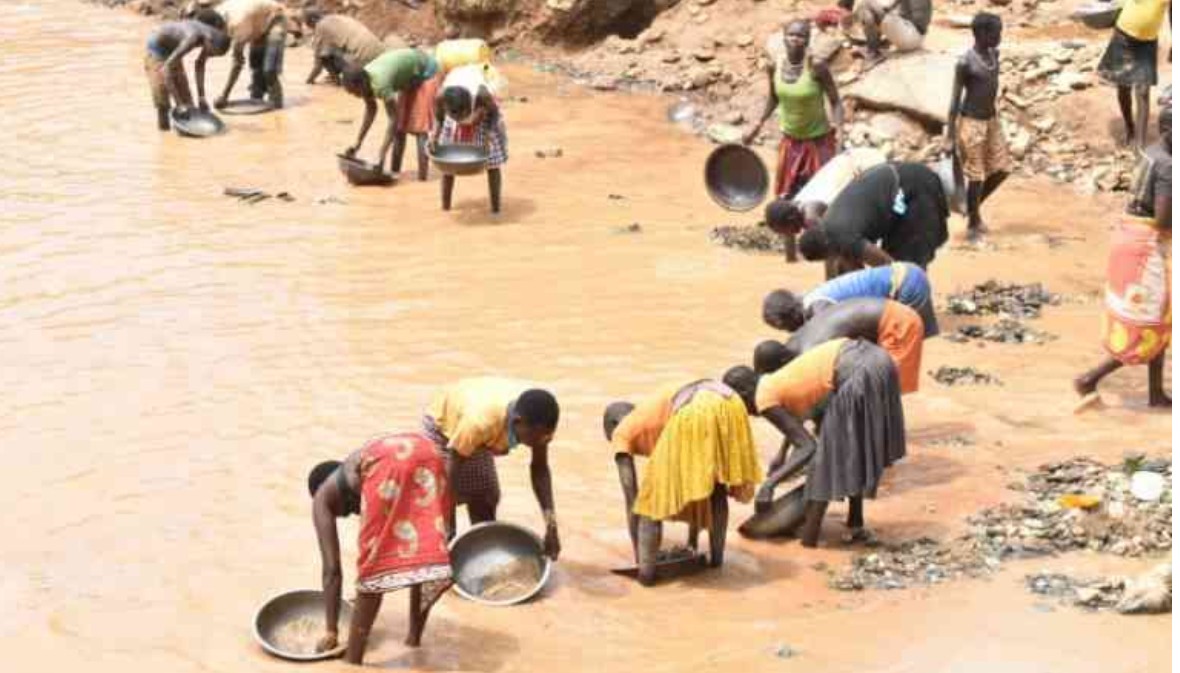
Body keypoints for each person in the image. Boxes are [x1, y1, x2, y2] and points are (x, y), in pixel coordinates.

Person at [723, 337, 906, 547]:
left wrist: (769, 485)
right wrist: (782, 456)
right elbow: (807, 420)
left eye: (740, 408)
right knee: (849, 449)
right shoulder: (774, 380)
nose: (747, 414)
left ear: (744, 394)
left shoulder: (762, 397)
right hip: (878, 360)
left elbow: (808, 447)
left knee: (823, 463)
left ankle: (808, 543)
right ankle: (855, 521)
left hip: (858, 370)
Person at [308, 433, 453, 664]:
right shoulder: (354, 468)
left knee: (372, 566)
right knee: (422, 553)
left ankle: (352, 663)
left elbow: (331, 570)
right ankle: (413, 640)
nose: (350, 514)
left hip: (392, 462)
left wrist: (331, 631)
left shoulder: (321, 499)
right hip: (430, 452)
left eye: (345, 513)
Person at [602, 380, 763, 586]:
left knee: (650, 502)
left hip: (695, 407)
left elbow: (631, 498)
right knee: (715, 487)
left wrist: (640, 556)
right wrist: (692, 543)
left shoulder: (622, 431)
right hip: (729, 401)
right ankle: (716, 563)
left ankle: (646, 579)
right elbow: (694, 485)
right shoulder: (653, 416)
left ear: (613, 424)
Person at [1074, 106, 1171, 410]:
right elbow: (1164, 219)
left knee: (1160, 316)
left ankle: (1156, 394)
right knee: (1147, 323)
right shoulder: (1169, 166)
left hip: (1128, 236)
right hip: (1146, 246)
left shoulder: (1151, 151)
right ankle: (1089, 378)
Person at [421, 377, 562, 558]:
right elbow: (452, 474)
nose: (538, 443)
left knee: (486, 497)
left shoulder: (540, 422)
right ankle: (439, 566)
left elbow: (540, 470)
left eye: (544, 438)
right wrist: (448, 522)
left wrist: (551, 526)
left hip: (478, 423)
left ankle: (482, 556)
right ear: (518, 422)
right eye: (535, 438)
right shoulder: (480, 423)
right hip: (443, 426)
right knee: (443, 523)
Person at [745, 20, 843, 261]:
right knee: (785, 201)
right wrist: (756, 126)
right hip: (790, 143)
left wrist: (840, 132)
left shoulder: (817, 66)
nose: (795, 39)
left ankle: (828, 258)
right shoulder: (774, 66)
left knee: (822, 203)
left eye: (801, 36)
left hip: (818, 142)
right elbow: (773, 98)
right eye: (791, 35)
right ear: (783, 37)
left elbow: (836, 101)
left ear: (808, 40)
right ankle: (790, 259)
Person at [797, 161, 949, 279]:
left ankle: (917, 311)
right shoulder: (830, 225)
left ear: (827, 246)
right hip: (897, 183)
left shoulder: (841, 237)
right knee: (898, 256)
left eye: (829, 256)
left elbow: (889, 267)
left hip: (913, 186)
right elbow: (853, 273)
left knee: (908, 264)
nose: (833, 258)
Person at [757, 297, 925, 394]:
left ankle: (887, 441)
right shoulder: (796, 340)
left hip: (898, 323)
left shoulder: (810, 351)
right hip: (886, 314)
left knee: (888, 391)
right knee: (871, 388)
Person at [761, 147, 886, 265]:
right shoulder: (798, 204)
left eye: (786, 231)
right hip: (858, 158)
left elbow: (840, 246)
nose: (791, 234)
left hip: (866, 166)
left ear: (791, 218)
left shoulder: (811, 217)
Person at [947, 13, 1009, 241]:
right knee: (976, 175)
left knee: (1002, 170)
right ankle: (973, 223)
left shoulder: (995, 55)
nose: (1000, 37)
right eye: (996, 32)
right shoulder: (965, 63)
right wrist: (949, 135)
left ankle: (971, 208)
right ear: (982, 34)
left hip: (991, 120)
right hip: (971, 123)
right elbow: (954, 101)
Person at [762, 261, 938, 337]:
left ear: (791, 316)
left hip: (906, 286)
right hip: (907, 274)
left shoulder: (818, 309)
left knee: (909, 348)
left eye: (785, 328)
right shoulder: (810, 298)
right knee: (926, 340)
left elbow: (837, 341)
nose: (790, 332)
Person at [340, 48, 441, 177]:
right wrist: (357, 143)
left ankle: (422, 178)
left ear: (361, 84)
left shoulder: (381, 83)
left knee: (420, 128)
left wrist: (381, 153)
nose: (355, 95)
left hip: (426, 70)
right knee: (399, 130)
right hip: (409, 77)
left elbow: (393, 119)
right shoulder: (365, 81)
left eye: (354, 92)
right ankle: (395, 174)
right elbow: (371, 111)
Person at [429, 64, 509, 214]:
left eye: (461, 115)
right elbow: (439, 118)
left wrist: (487, 135)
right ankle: (445, 208)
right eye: (454, 116)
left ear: (468, 105)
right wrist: (435, 134)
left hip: (482, 116)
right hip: (460, 112)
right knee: (447, 163)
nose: (459, 120)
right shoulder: (441, 97)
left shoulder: (482, 95)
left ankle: (496, 209)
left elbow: (494, 114)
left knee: (493, 162)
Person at [186, 0, 289, 109]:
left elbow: (237, 64)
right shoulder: (212, 16)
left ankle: (277, 103)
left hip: (275, 19)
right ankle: (257, 96)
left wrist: (224, 95)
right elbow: (202, 58)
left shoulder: (237, 24)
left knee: (269, 69)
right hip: (256, 20)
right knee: (255, 66)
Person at [1097, 0, 1170, 148]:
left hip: (1148, 41)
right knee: (1124, 86)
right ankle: (1130, 128)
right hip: (1124, 34)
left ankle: (1140, 144)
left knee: (1143, 91)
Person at [144, 18, 231, 131]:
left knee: (188, 102)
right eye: (212, 53)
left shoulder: (211, 36)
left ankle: (186, 135)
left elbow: (200, 65)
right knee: (163, 101)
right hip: (157, 50)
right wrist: (179, 104)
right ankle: (164, 132)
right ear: (210, 41)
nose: (209, 55)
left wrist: (201, 97)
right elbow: (166, 70)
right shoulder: (192, 38)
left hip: (174, 51)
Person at [302, 8, 386, 85]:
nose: (311, 28)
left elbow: (318, 64)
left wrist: (309, 81)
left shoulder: (321, 26)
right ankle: (336, 77)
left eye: (308, 24)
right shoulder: (339, 17)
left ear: (313, 20)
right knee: (331, 50)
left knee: (324, 56)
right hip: (381, 56)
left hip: (364, 58)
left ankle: (337, 82)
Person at [840, 0, 932, 64]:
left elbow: (888, 9)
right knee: (873, 7)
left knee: (866, 5)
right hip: (916, 36)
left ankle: (873, 51)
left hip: (911, 36)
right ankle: (875, 44)